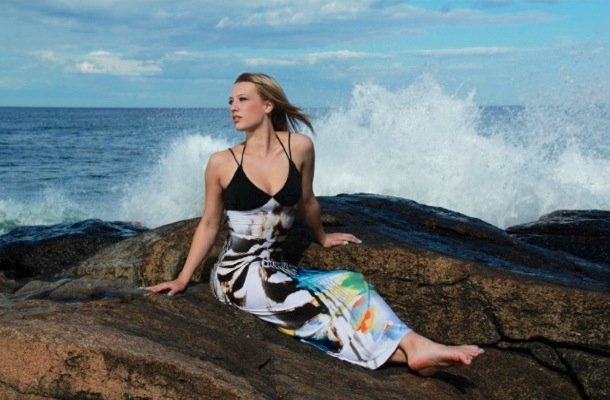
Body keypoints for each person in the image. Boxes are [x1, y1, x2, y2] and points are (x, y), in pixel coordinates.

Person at [146, 72, 484, 375]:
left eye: (242, 99)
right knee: (309, 308)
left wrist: (321, 237)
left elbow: (308, 201)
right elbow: (209, 224)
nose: (233, 107)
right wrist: (182, 279)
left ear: (268, 105)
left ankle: (414, 346)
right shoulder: (221, 163)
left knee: (350, 282)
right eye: (231, 101)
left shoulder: (300, 148)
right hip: (236, 276)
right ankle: (408, 353)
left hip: (276, 266)